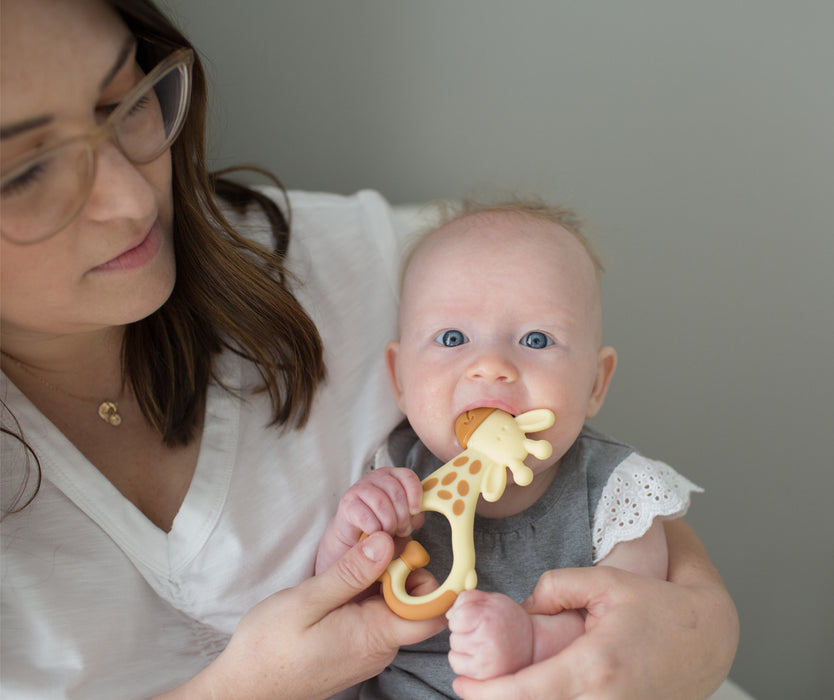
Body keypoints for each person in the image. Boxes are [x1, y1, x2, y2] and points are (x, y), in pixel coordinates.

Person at [0, 0, 738, 698]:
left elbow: (646, 559)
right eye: (26, 173)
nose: (132, 201)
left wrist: (703, 633)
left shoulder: (368, 267)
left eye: (125, 103)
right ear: (397, 366)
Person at [317, 201, 706, 699]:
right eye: (453, 337)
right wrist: (349, 534)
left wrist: (533, 639)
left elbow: (628, 633)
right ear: (400, 378)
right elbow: (336, 603)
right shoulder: (396, 472)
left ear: (595, 383)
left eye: (537, 339)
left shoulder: (614, 491)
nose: (491, 365)